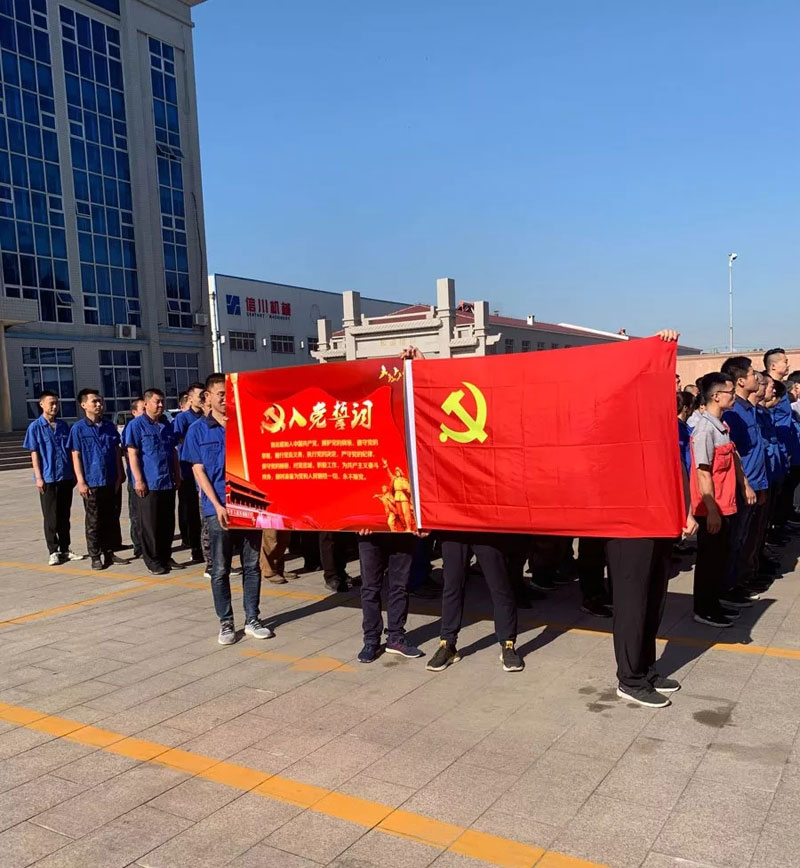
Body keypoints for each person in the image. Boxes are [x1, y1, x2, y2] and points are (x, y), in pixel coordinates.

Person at [605, 330, 687, 708]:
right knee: (632, 603)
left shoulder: (664, 422)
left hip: (658, 519)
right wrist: (649, 350)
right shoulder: (618, 419)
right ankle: (629, 678)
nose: (675, 385)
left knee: (654, 599)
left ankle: (647, 667)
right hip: (627, 524)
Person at [182, 373, 272, 644]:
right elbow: (198, 471)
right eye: (221, 394)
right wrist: (217, 505)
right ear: (208, 397)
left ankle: (252, 618)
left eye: (229, 393)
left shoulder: (245, 424)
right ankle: (226, 622)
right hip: (217, 508)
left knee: (251, 565)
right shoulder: (197, 430)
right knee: (220, 568)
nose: (225, 398)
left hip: (248, 505)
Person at [690, 372, 754, 629]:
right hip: (712, 508)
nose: (733, 397)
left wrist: (744, 484)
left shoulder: (721, 425)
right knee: (709, 560)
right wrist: (712, 510)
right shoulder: (705, 429)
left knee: (719, 558)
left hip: (726, 505)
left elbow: (733, 458)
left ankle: (714, 602)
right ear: (716, 396)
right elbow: (702, 472)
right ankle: (704, 608)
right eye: (730, 392)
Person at [426, 531, 523, 673]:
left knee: (500, 587)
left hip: (486, 529)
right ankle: (447, 644)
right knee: (452, 586)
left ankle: (508, 644)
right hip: (453, 529)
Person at [719, 356, 767, 608]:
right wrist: (746, 484)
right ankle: (726, 587)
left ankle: (737, 582)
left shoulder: (749, 408)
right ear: (739, 381)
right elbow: (734, 453)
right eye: (751, 374)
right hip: (741, 486)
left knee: (744, 537)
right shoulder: (734, 412)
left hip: (755, 483)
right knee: (734, 539)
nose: (755, 378)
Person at [124, 388, 183, 575]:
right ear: (146, 403)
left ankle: (165, 556)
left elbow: (173, 452)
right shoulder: (136, 425)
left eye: (162, 402)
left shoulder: (166, 425)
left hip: (167, 481)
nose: (160, 405)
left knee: (167, 522)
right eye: (157, 401)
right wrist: (138, 480)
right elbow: (132, 454)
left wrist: (177, 474)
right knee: (150, 524)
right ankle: (152, 560)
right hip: (149, 482)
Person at [68, 389, 126, 570]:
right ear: (84, 405)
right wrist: (81, 481)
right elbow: (76, 455)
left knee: (110, 518)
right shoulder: (78, 428)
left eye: (100, 401)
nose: (99, 405)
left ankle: (109, 552)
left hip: (110, 479)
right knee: (94, 520)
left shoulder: (109, 426)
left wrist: (120, 473)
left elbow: (116, 451)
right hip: (92, 481)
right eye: (94, 401)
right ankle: (95, 555)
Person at [22, 391, 82, 566]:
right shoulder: (35, 427)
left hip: (65, 476)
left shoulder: (63, 426)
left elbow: (70, 451)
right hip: (48, 478)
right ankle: (53, 551)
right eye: (51, 403)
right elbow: (34, 453)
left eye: (56, 403)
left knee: (64, 515)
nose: (54, 406)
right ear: (41, 404)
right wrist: (38, 477)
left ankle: (65, 548)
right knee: (50, 517)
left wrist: (74, 474)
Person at [356, 530, 423, 662]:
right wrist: (359, 521)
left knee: (400, 587)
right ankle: (371, 640)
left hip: (402, 531)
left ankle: (396, 637)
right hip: (369, 531)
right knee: (370, 588)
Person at [765, 348, 800, 528]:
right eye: (785, 361)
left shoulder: (783, 391)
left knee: (784, 492)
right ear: (773, 366)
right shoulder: (767, 390)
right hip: (774, 449)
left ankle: (780, 524)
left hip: (786, 449)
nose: (788, 365)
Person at [172, 382, 206, 563]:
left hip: (205, 471)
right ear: (190, 398)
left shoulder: (207, 416)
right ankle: (194, 546)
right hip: (187, 471)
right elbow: (180, 442)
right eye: (200, 395)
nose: (202, 399)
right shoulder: (183, 418)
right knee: (191, 511)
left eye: (204, 395)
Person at [123, 398, 145, 559]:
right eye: (142, 409)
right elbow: (128, 454)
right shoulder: (131, 427)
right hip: (136, 479)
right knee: (136, 514)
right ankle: (138, 545)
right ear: (134, 412)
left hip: (153, 479)